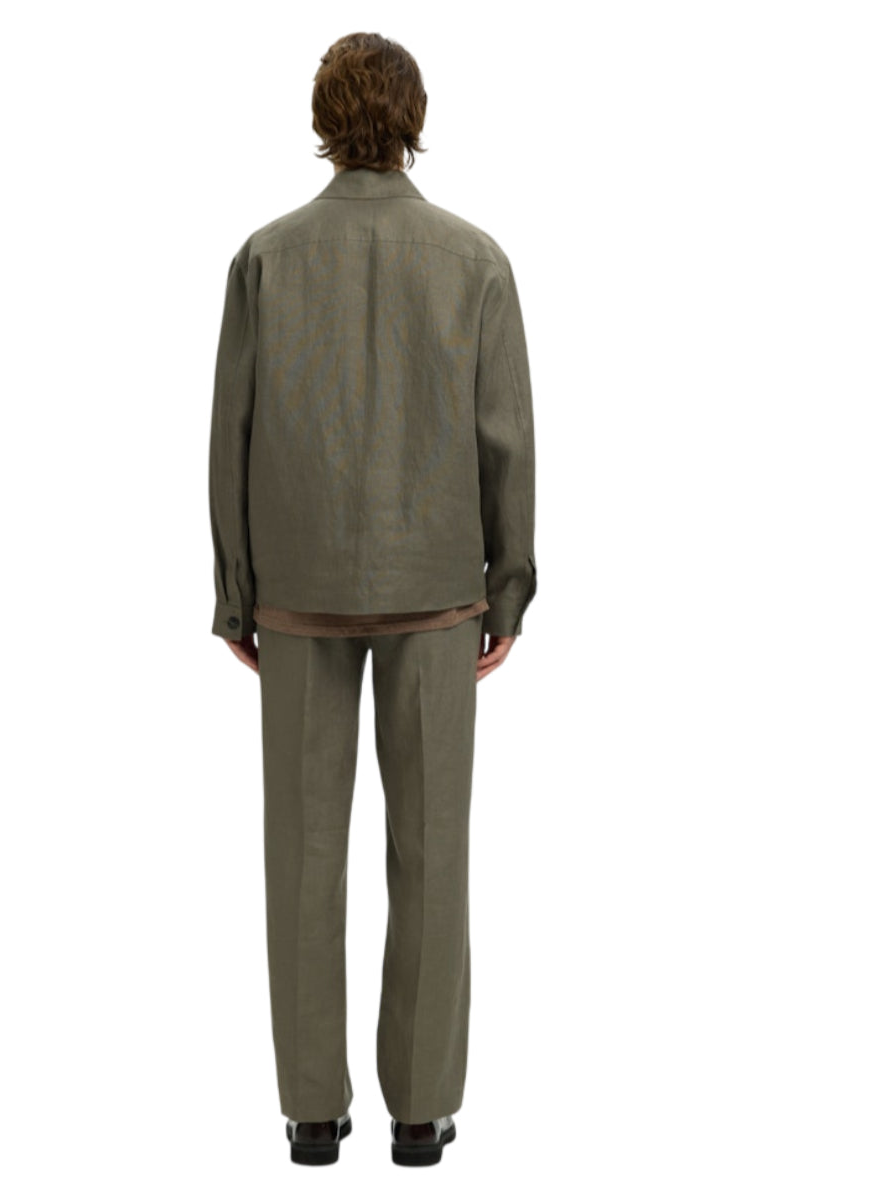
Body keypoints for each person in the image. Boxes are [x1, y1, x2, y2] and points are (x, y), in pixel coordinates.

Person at [207, 31, 537, 1167]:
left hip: (297, 595)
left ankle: (311, 1114)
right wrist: (508, 589)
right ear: (414, 118)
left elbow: (231, 432)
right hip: (439, 596)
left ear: (322, 118)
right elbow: (507, 439)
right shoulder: (475, 260)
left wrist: (238, 592)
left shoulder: (264, 257)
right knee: (433, 853)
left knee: (302, 854)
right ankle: (421, 1114)